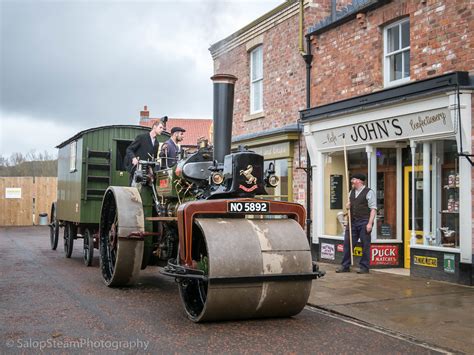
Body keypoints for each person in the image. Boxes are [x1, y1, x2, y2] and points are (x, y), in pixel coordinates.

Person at [336, 173, 376, 274]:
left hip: (364, 221)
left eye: (353, 179)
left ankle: (364, 267)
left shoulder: (369, 192)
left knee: (365, 244)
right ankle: (345, 265)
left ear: (359, 181)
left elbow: (373, 209)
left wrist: (370, 223)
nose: (351, 181)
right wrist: (347, 207)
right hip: (352, 221)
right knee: (347, 243)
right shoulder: (351, 192)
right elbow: (349, 207)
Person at [125, 120, 164, 185]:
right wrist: (133, 158)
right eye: (160, 127)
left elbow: (153, 159)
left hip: (147, 175)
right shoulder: (141, 137)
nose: (162, 130)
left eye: (163, 128)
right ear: (154, 127)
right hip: (137, 171)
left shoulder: (156, 143)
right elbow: (129, 149)